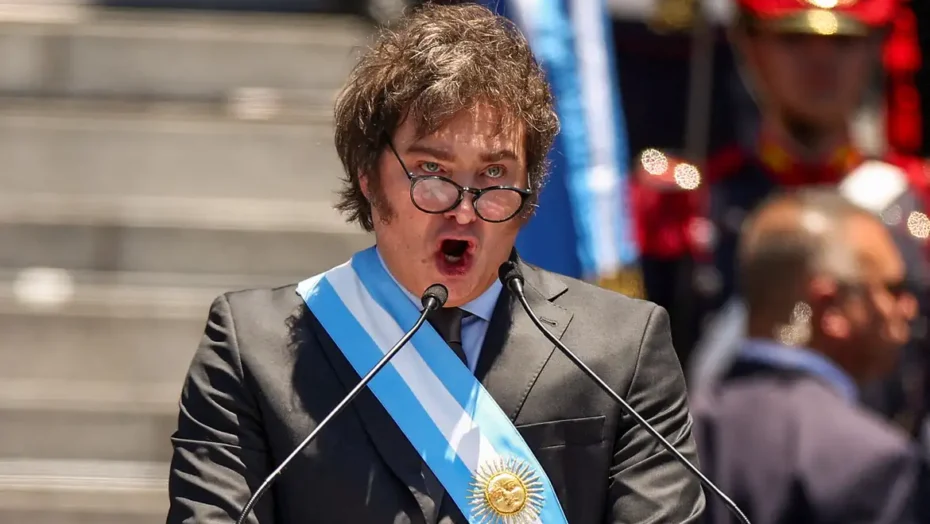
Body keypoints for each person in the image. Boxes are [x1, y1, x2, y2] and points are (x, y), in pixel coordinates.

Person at [165, 4, 705, 523]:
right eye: (431, 169)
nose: (464, 208)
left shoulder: (621, 348)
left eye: (495, 175)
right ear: (368, 176)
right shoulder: (253, 347)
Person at [632, 0, 930, 432]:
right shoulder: (685, 205)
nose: (821, 59)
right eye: (795, 39)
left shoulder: (916, 202)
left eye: (844, 41)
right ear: (749, 44)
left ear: (875, 49)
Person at [692, 188, 928, 524]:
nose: (908, 308)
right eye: (892, 289)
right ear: (830, 307)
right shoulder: (873, 461)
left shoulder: (665, 436)